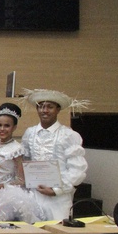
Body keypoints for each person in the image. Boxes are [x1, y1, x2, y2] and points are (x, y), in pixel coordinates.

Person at [21, 89, 88, 221]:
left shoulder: (68, 135)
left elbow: (77, 169)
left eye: (50, 107)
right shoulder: (29, 133)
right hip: (34, 195)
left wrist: (57, 190)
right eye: (41, 106)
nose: (45, 110)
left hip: (58, 199)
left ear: (58, 109)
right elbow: (24, 162)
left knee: (58, 231)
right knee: (33, 230)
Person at [0, 103, 44, 223]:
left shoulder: (17, 149)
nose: (2, 129)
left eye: (7, 126)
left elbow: (21, 180)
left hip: (5, 194)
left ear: (14, 127)